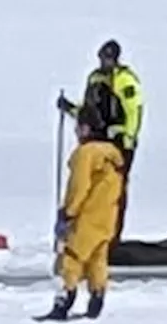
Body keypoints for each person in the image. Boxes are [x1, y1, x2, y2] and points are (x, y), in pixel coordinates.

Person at [39, 103, 125, 321]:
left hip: (86, 218)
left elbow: (79, 187)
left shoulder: (85, 154)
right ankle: (97, 298)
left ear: (86, 128)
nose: (76, 132)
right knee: (97, 259)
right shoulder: (112, 155)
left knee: (70, 259)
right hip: (107, 218)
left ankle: (63, 302)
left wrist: (68, 212)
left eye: (78, 127)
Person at [56, 38, 143, 243]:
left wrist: (127, 136)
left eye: (108, 58)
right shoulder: (95, 79)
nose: (105, 62)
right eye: (102, 58)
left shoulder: (125, 80)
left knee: (113, 191)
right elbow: (89, 110)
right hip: (96, 141)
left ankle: (112, 238)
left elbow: (134, 111)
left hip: (118, 143)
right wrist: (70, 109)